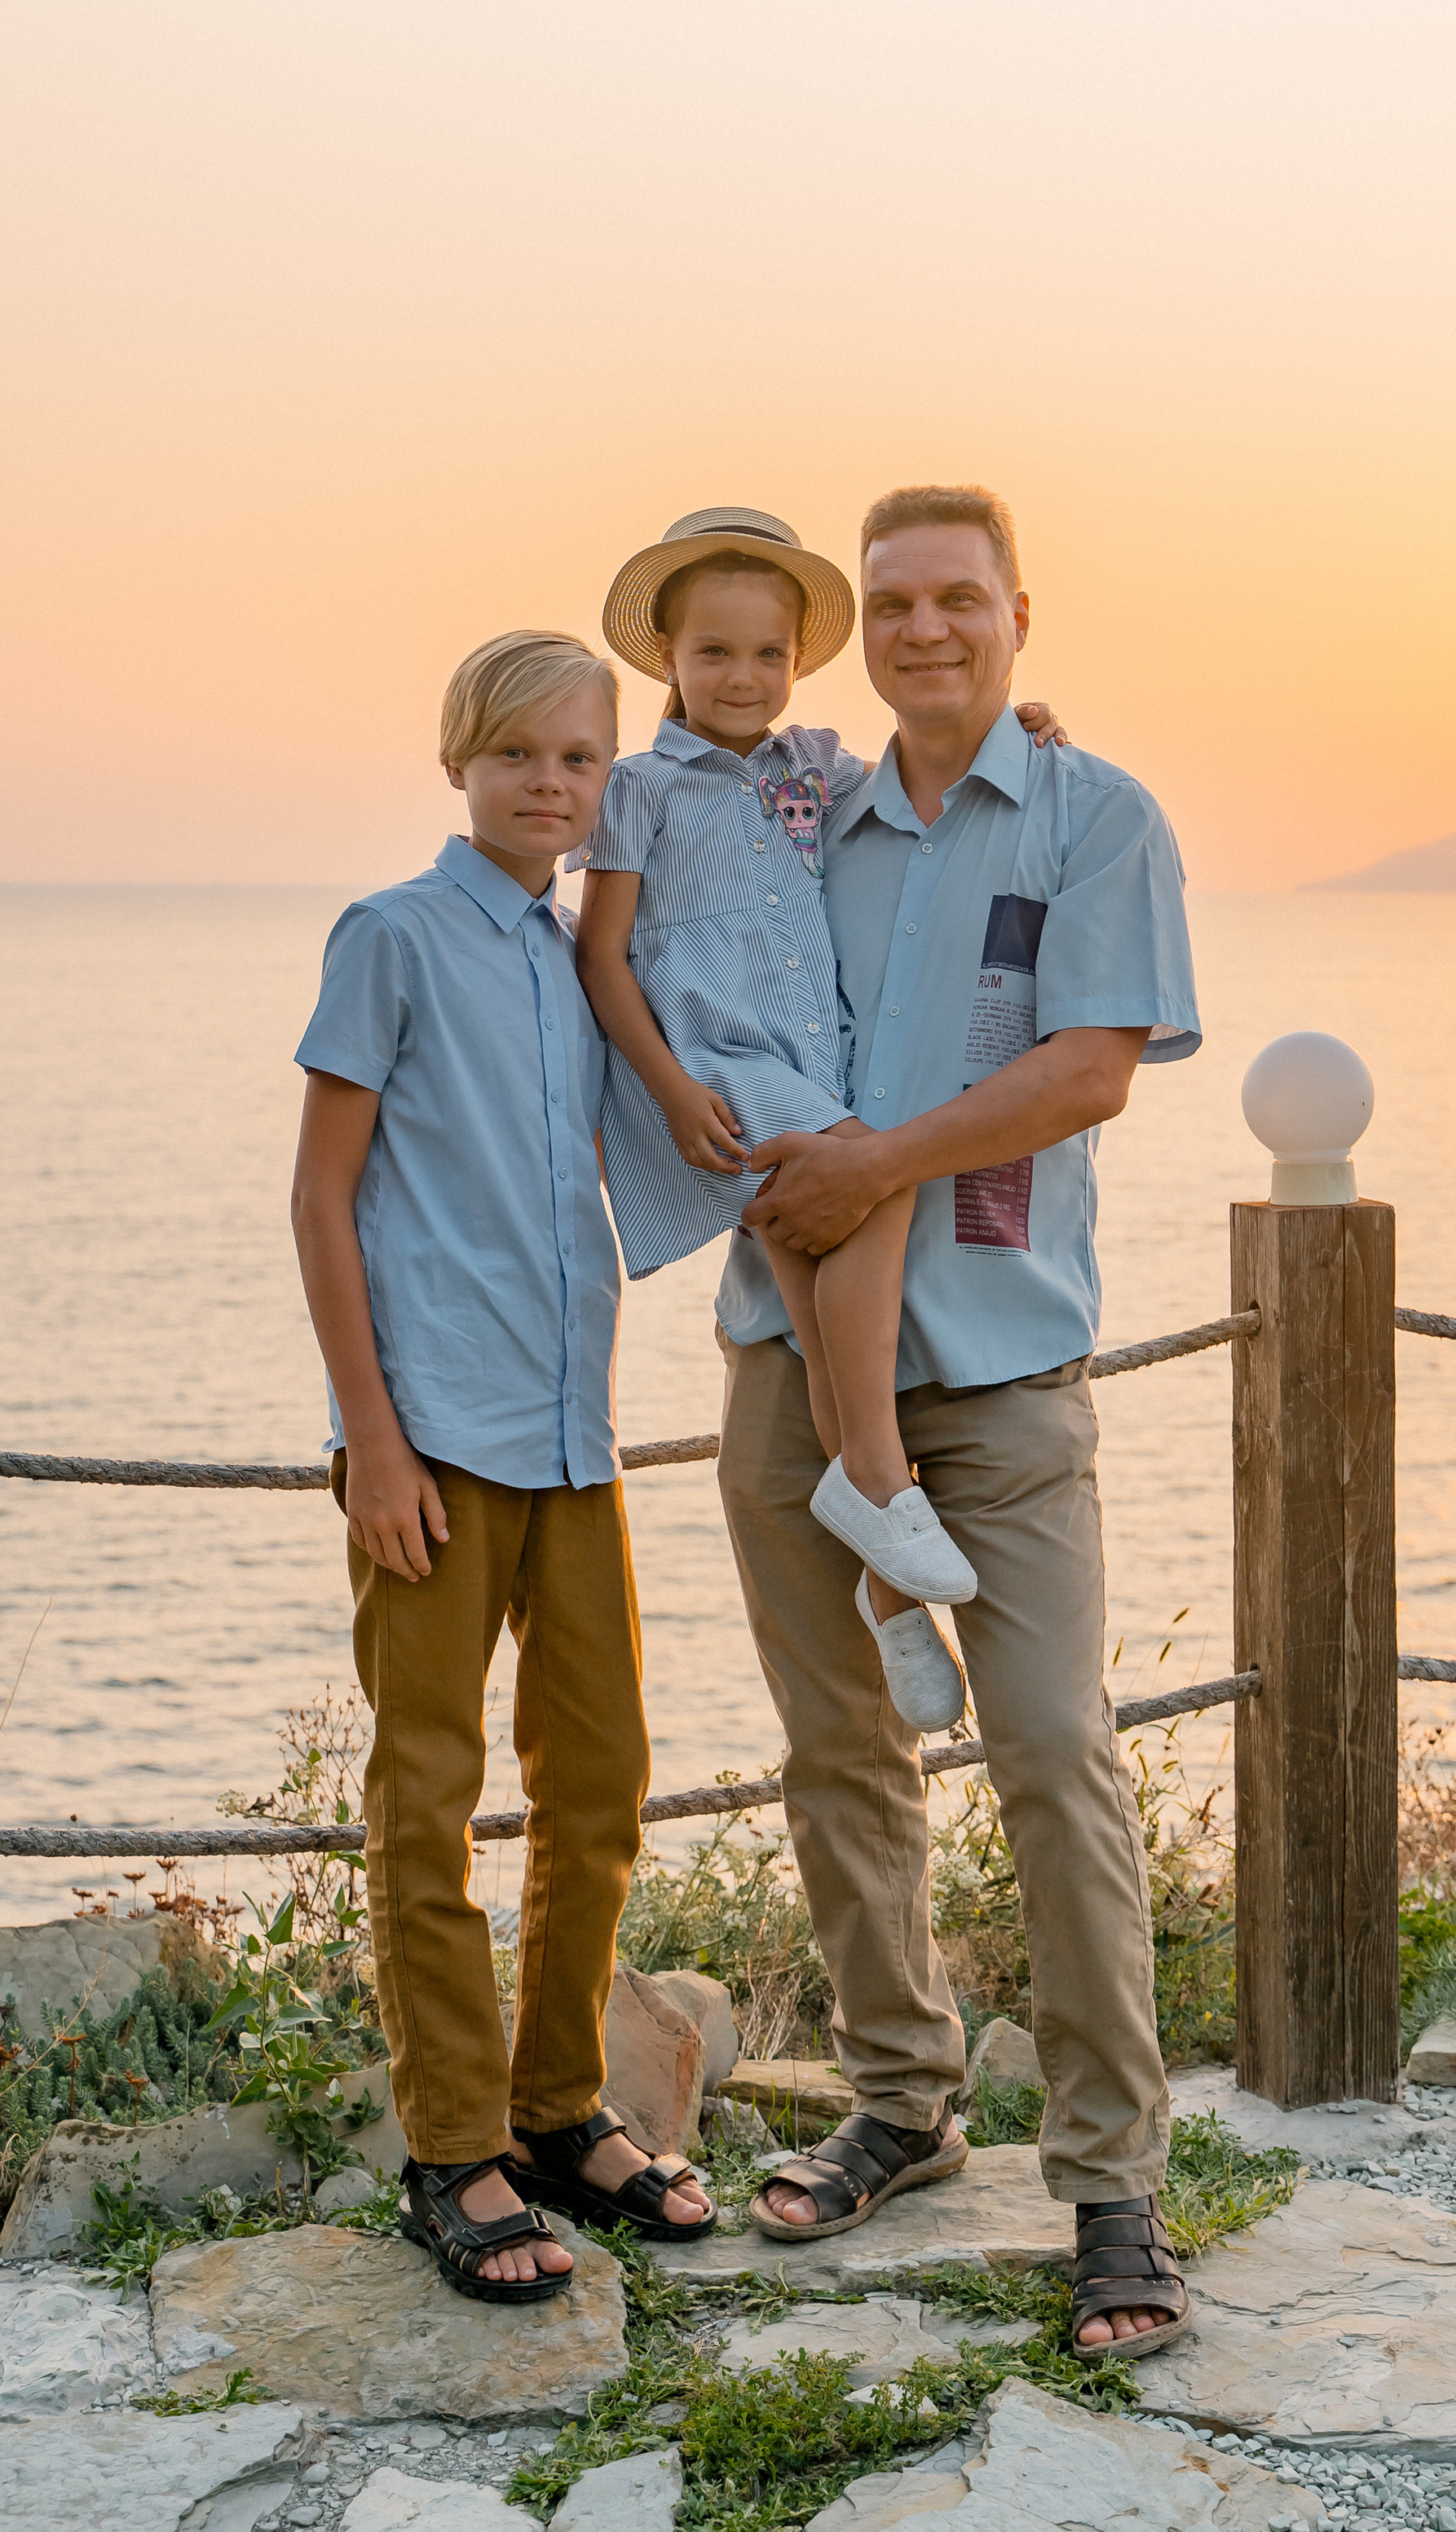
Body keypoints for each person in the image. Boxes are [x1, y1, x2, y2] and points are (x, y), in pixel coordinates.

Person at [713, 485, 1202, 2360]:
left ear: (1018, 613)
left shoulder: (1095, 817)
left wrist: (874, 1170)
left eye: (957, 600)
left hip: (997, 1376)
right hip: (781, 1359)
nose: (925, 628)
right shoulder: (796, 818)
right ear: (864, 628)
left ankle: (1112, 2187)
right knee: (834, 1753)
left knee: (1059, 1755)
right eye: (894, 603)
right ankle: (902, 2104)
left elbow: (1087, 1073)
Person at [289, 627, 714, 2305]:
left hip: (569, 1438)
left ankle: (556, 2110)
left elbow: (767, 788)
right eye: (522, 755)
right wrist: (371, 1443)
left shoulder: (574, 952)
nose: (553, 784)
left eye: (580, 760)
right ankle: (455, 2149)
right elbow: (323, 1199)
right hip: (435, 1449)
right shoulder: (389, 938)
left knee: (600, 1779)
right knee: (428, 1798)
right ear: (461, 761)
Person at [576, 507, 1065, 1737]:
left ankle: (891, 1590)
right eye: (712, 656)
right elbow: (600, 959)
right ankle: (883, 1480)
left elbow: (936, 777)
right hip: (712, 1057)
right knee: (875, 1176)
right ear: (667, 661)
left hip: (808, 1051)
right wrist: (673, 1089)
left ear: (796, 661)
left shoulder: (818, 770)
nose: (741, 680)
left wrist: (1033, 727)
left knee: (821, 1280)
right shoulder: (638, 790)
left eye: (765, 657)